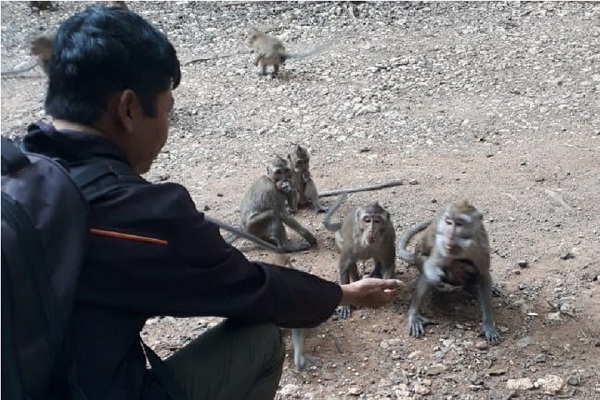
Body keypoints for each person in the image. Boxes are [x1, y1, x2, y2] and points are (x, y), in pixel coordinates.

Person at [20, 6, 403, 400]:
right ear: (129, 109)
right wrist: (343, 293)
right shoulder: (136, 212)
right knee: (261, 339)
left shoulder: (11, 172)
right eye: (166, 111)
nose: (166, 129)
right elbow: (251, 288)